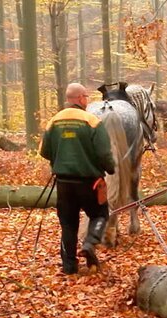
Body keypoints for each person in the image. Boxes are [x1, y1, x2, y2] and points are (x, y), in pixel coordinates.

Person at [40, 83, 115, 274]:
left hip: (64, 183)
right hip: (90, 182)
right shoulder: (92, 121)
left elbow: (44, 151)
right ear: (80, 98)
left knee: (68, 224)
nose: (87, 100)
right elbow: (104, 152)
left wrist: (60, 161)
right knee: (100, 215)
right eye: (86, 97)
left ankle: (69, 266)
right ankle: (90, 243)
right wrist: (110, 169)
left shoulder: (54, 121)